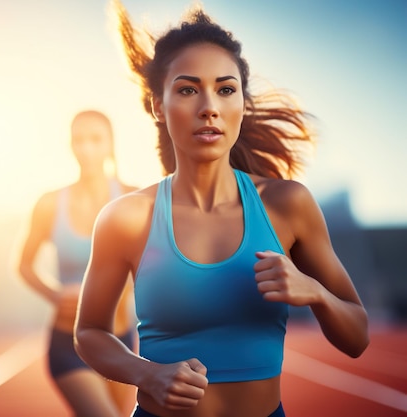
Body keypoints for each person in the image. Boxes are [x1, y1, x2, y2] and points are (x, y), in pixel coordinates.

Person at [74, 2, 370, 417]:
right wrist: (147, 374)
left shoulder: (289, 206)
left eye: (225, 89)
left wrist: (316, 292)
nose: (209, 106)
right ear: (158, 105)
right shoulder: (126, 218)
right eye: (188, 89)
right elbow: (89, 332)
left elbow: (357, 336)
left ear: (242, 105)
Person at [18, 109, 138, 417]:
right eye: (79, 140)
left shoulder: (133, 198)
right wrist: (54, 294)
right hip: (69, 341)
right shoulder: (49, 203)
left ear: (111, 144)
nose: (86, 148)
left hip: (120, 342)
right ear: (70, 145)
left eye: (96, 139)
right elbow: (24, 265)